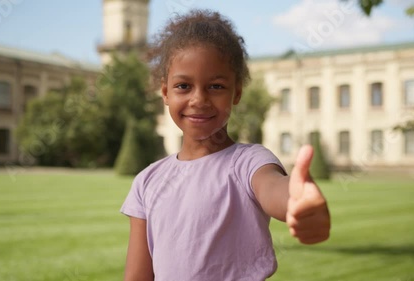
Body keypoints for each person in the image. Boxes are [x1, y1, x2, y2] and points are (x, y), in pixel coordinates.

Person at [120, 9, 331, 281]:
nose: (199, 99)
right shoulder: (146, 182)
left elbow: (273, 188)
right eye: (183, 86)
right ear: (165, 93)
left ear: (237, 92)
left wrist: (298, 201)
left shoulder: (249, 163)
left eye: (216, 86)